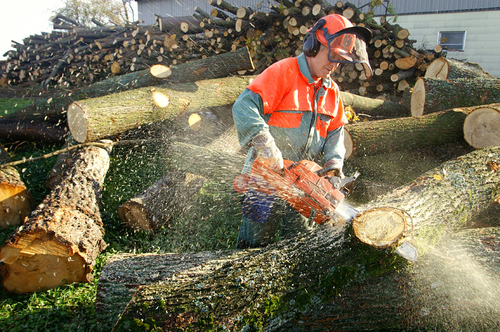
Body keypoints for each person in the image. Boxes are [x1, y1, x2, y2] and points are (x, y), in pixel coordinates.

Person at [232, 14, 372, 249]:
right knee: (253, 241)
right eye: (332, 56)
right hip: (264, 178)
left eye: (340, 60)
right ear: (313, 45)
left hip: (305, 183)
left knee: (299, 242)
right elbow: (243, 106)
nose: (334, 65)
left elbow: (336, 130)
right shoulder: (283, 72)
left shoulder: (331, 90)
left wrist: (334, 164)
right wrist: (266, 146)